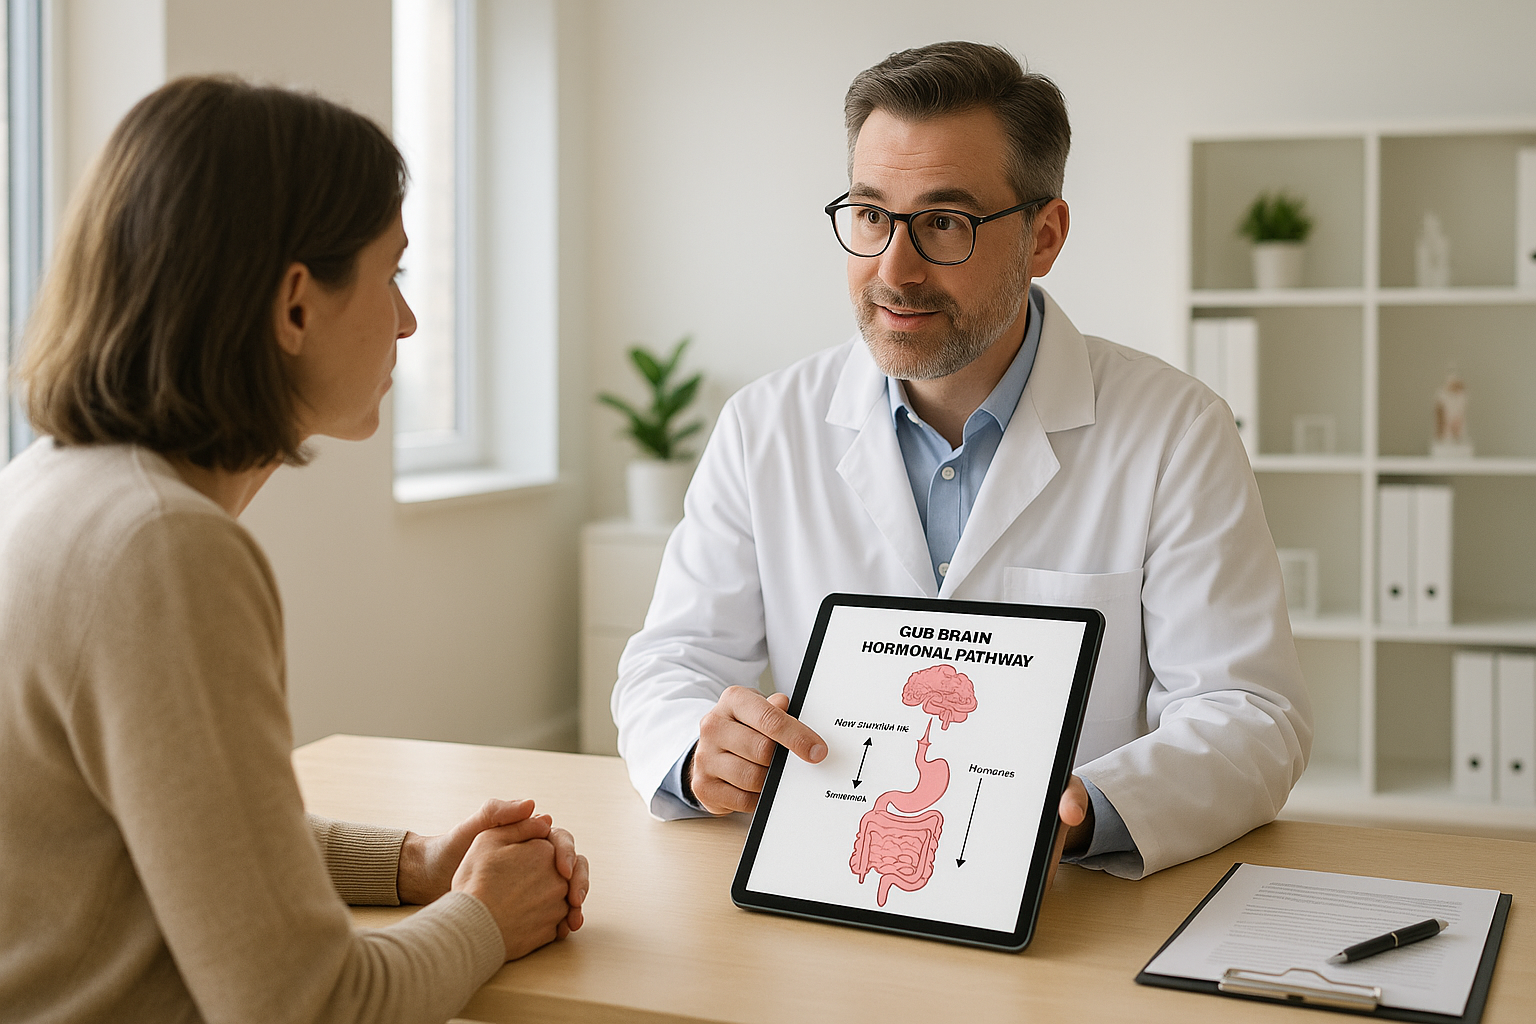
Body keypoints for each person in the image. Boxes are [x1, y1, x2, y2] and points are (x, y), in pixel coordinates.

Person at [612, 41, 1312, 880]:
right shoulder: (765, 426)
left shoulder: (1176, 431)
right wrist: (701, 751)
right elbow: (672, 664)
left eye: (944, 222)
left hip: (1070, 907)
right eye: (871, 215)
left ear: (1043, 235)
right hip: (832, 877)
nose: (894, 270)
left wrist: (1086, 810)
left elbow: (1249, 714)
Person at [0, 77, 588, 1023]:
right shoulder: (162, 550)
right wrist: (485, 916)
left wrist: (414, 865)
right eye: (392, 274)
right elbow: (306, 1005)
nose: (407, 322)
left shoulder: (52, 486)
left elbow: (189, 829)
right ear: (295, 306)